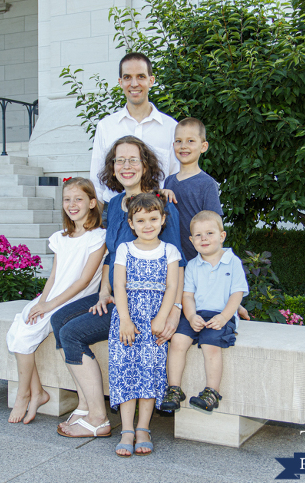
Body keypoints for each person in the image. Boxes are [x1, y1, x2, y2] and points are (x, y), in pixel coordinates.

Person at [52, 135, 186, 440]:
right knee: (58, 318)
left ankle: (99, 417)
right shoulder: (113, 205)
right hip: (113, 296)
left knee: (72, 333)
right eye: (119, 160)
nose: (126, 166)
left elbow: (177, 263)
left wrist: (175, 310)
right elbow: (111, 254)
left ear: (145, 165)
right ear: (112, 168)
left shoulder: (162, 205)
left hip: (146, 304)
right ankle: (86, 403)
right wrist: (102, 290)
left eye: (133, 160)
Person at [5, 178, 106, 424]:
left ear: (92, 203)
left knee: (25, 333)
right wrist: (42, 300)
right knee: (21, 328)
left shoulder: (98, 237)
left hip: (75, 299)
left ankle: (24, 394)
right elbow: (53, 276)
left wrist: (50, 306)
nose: (72, 204)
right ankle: (36, 392)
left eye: (78, 199)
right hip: (53, 295)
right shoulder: (60, 237)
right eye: (67, 200)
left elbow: (83, 280)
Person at [109, 192, 180, 457]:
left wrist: (161, 317)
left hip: (154, 320)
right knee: (126, 371)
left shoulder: (169, 250)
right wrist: (125, 320)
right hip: (127, 321)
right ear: (131, 223)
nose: (147, 224)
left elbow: (172, 286)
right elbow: (119, 285)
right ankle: (126, 429)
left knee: (150, 372)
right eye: (141, 220)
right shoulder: (125, 249)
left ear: (163, 219)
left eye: (153, 218)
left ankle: (143, 428)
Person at [160, 210, 248, 412]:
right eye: (198, 235)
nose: (204, 238)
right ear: (191, 240)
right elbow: (187, 295)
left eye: (210, 233)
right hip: (196, 314)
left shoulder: (232, 261)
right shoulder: (192, 265)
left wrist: (224, 317)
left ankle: (212, 392)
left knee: (210, 344)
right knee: (178, 341)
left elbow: (237, 294)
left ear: (222, 236)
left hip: (220, 315)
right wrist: (191, 316)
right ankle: (174, 389)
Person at [90, 53, 179, 204]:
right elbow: (97, 182)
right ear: (120, 82)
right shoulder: (106, 126)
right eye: (127, 77)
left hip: (156, 215)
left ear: (151, 81)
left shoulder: (171, 127)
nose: (134, 83)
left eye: (141, 76)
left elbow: (176, 177)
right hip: (113, 212)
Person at [163, 117, 223, 261]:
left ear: (203, 146)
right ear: (173, 145)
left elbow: (215, 225)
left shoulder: (207, 184)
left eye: (191, 141)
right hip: (171, 257)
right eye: (179, 141)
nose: (183, 146)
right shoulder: (169, 181)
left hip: (196, 258)